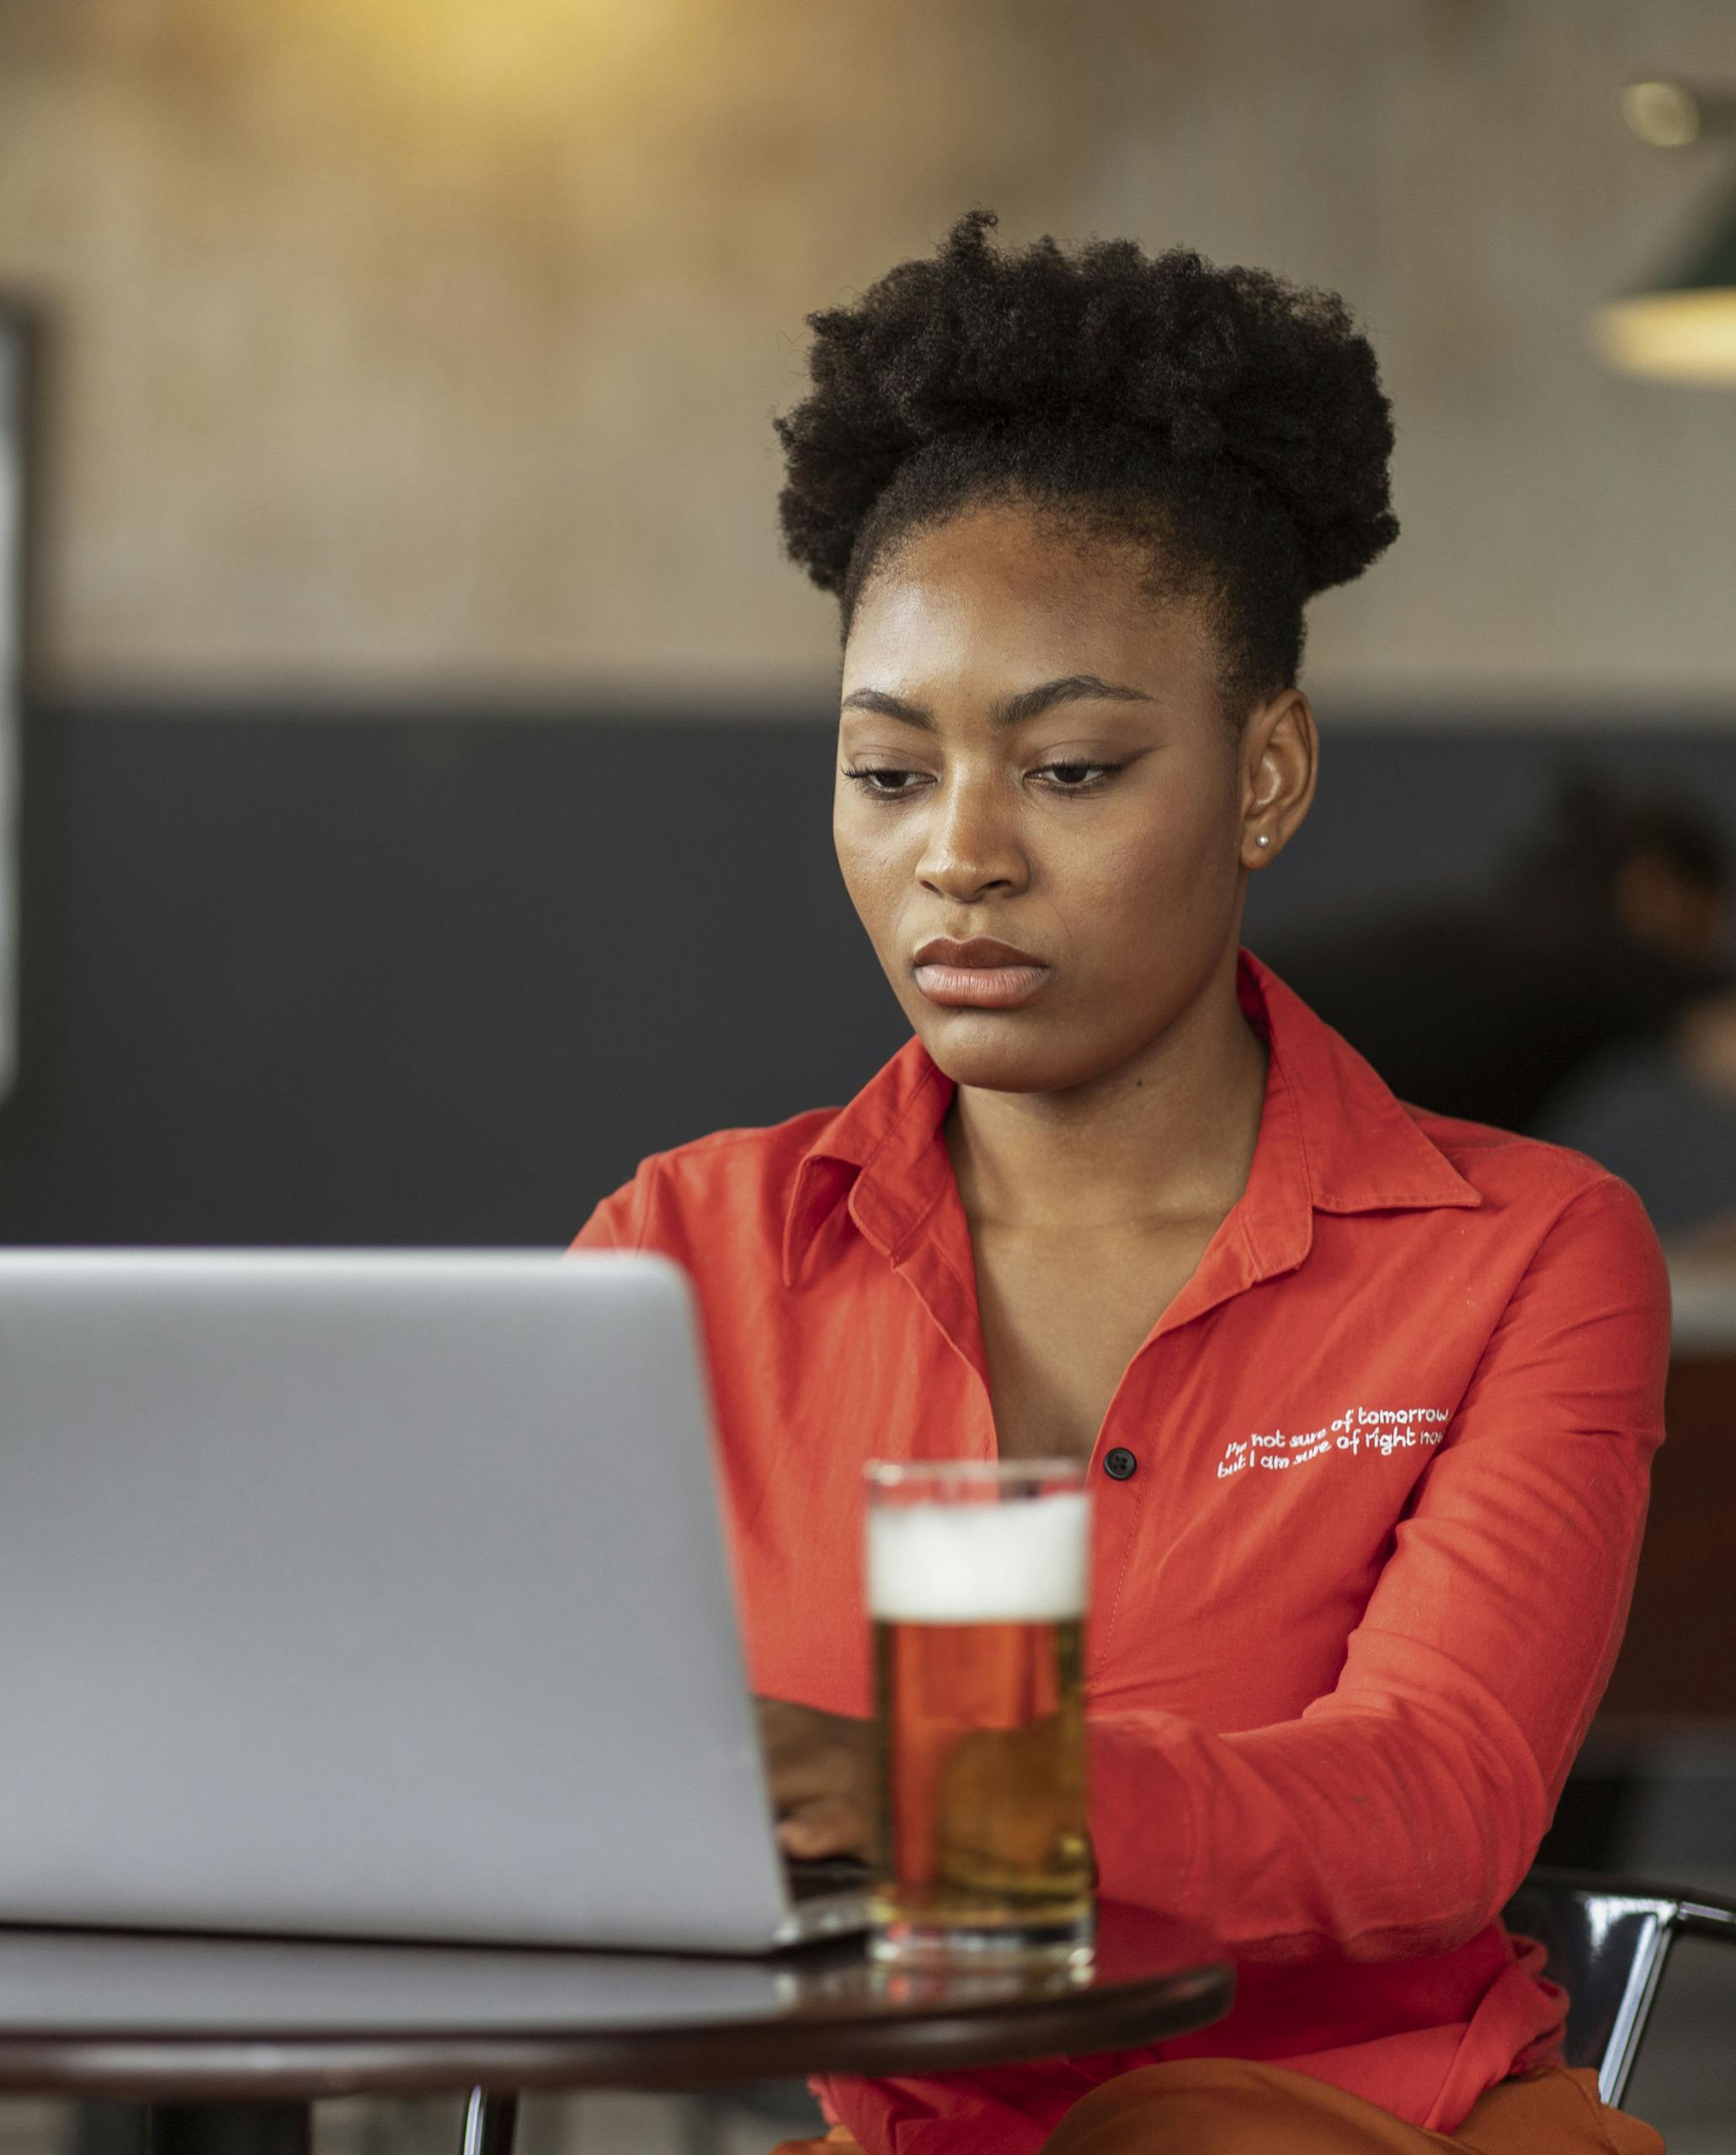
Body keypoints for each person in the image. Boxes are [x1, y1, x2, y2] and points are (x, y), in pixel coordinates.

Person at [572, 215, 1667, 2154]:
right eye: (888, 770)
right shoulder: (681, 1252)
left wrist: (940, 1794)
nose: (959, 855)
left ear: (1262, 774)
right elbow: (517, 1769)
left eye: (1068, 768)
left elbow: (1432, 1801)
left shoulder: (1521, 1254)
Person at [1265, 769, 1733, 1136]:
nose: (1704, 951)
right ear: (1655, 889)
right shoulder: (1573, 961)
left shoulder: (1528, 944)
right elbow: (1714, 1033)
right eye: (1697, 930)